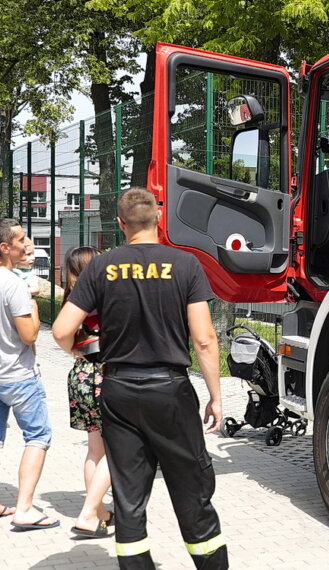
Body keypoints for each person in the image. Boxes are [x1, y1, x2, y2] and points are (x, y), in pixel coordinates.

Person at [53, 188, 227, 570]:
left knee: (129, 495)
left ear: (120, 224)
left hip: (118, 389)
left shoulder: (101, 267)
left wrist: (81, 354)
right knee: (192, 489)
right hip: (170, 390)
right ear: (159, 219)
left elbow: (62, 330)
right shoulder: (185, 264)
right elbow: (204, 338)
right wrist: (215, 396)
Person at [0, 217, 56, 529]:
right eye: (20, 240)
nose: (26, 243)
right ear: (5, 247)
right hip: (18, 375)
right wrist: (32, 297)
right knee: (38, 436)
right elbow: (30, 335)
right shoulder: (14, 285)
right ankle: (25, 508)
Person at [61, 246, 114, 539]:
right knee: (116, 448)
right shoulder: (103, 296)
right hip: (105, 375)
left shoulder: (71, 297)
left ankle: (100, 511)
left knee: (95, 449)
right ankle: (90, 512)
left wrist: (74, 351)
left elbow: (63, 335)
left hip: (80, 374)